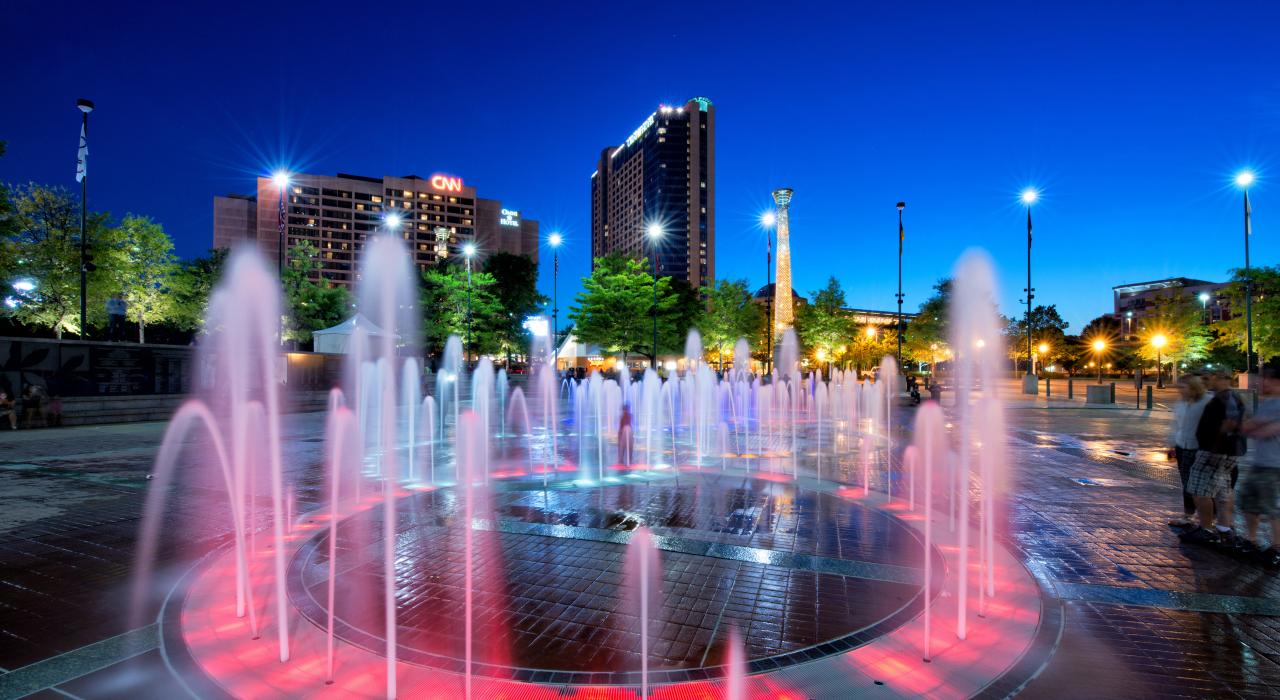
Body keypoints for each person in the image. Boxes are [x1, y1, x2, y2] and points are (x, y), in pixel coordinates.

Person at [1181, 371, 1248, 545]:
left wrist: (1215, 445)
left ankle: (1206, 529)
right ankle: (1224, 528)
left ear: (1223, 379)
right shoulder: (1231, 397)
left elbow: (1231, 423)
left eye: (1213, 378)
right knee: (1222, 491)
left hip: (1215, 451)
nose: (1210, 381)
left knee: (1199, 489)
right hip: (1225, 451)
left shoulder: (1225, 398)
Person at [1238, 369, 1280, 569]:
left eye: (1264, 380)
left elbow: (1258, 430)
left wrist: (1255, 426)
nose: (1260, 384)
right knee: (1248, 501)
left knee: (1273, 507)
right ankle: (1251, 540)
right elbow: (1249, 429)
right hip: (1261, 462)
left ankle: (1276, 547)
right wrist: (1255, 427)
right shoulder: (1268, 403)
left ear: (1274, 381)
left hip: (1275, 464)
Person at [1167, 375, 1211, 529]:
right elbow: (1176, 425)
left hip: (1199, 447)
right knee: (1186, 483)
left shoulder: (1207, 402)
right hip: (1182, 446)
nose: (1179, 391)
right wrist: (1171, 444)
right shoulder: (1181, 403)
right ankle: (1188, 516)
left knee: (1200, 486)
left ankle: (1207, 520)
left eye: (1183, 387)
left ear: (1193, 387)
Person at [618, 402, 634, 467]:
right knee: (630, 446)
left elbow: (621, 426)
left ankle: (621, 460)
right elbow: (631, 424)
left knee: (622, 446)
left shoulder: (623, 416)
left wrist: (619, 434)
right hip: (629, 429)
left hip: (625, 430)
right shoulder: (630, 415)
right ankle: (629, 460)